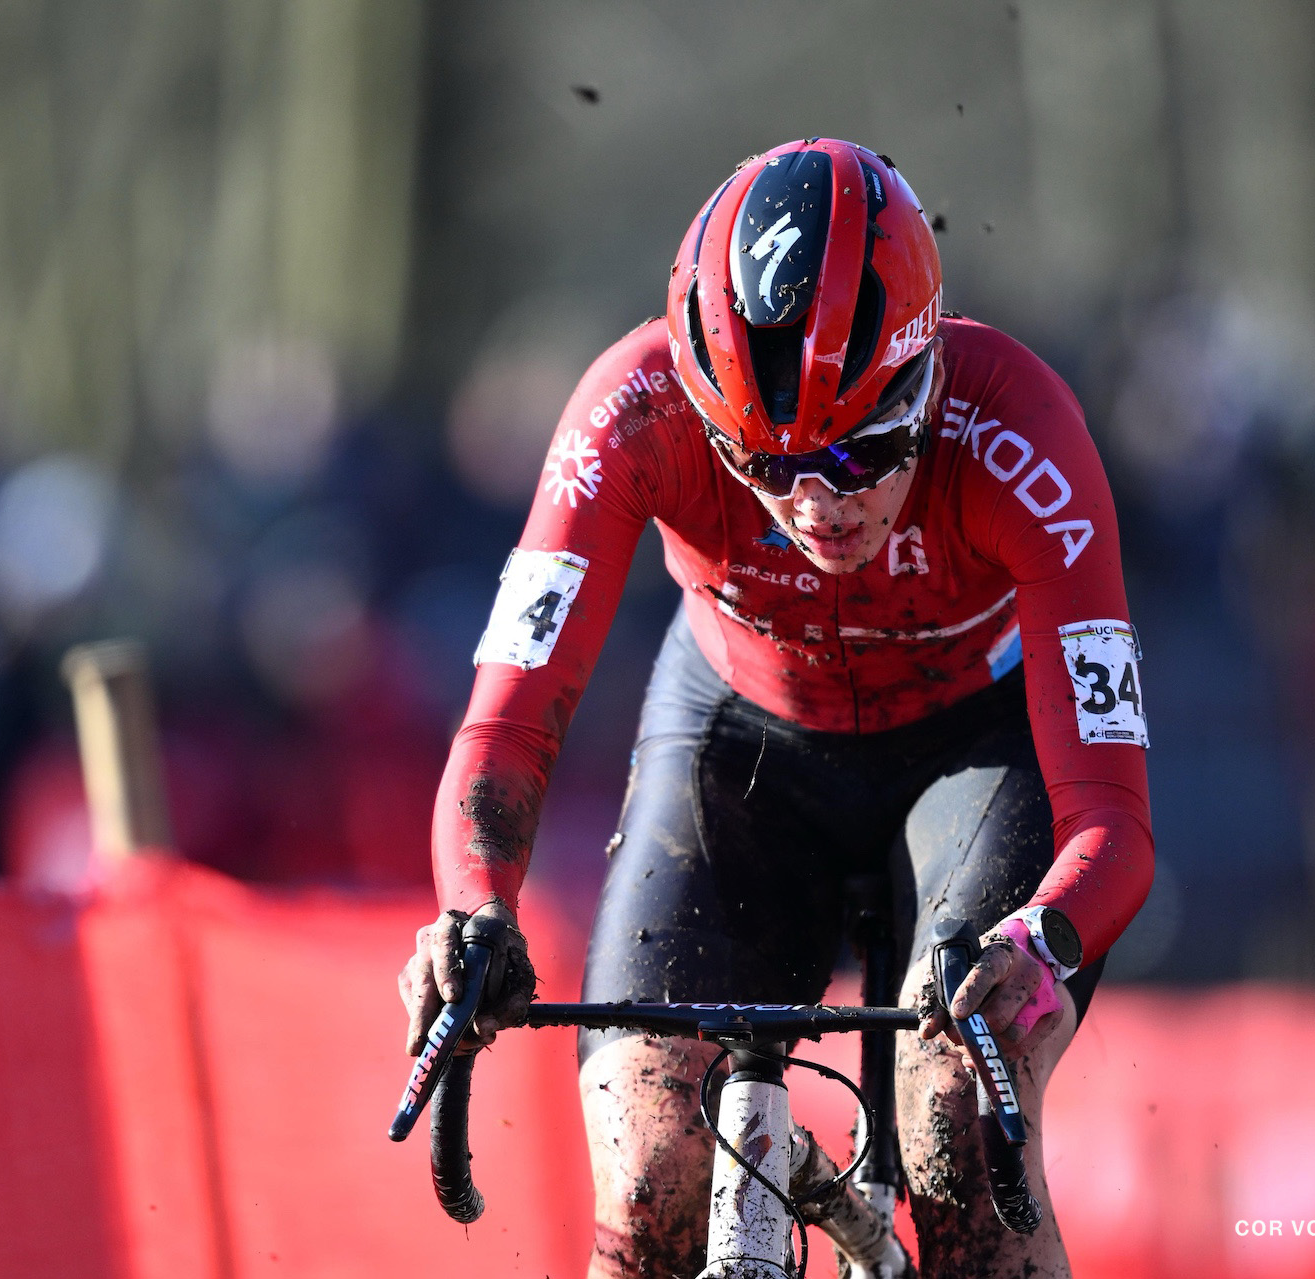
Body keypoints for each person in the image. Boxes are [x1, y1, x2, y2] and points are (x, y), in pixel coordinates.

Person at [398, 138, 1154, 1278]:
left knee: (956, 1121)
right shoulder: (629, 413)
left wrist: (1041, 941)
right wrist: (473, 911)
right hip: (741, 737)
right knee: (651, 1165)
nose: (814, 503)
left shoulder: (1024, 439)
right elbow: (504, 724)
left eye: (860, 452)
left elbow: (1112, 818)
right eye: (761, 459)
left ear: (928, 375)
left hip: (974, 754)